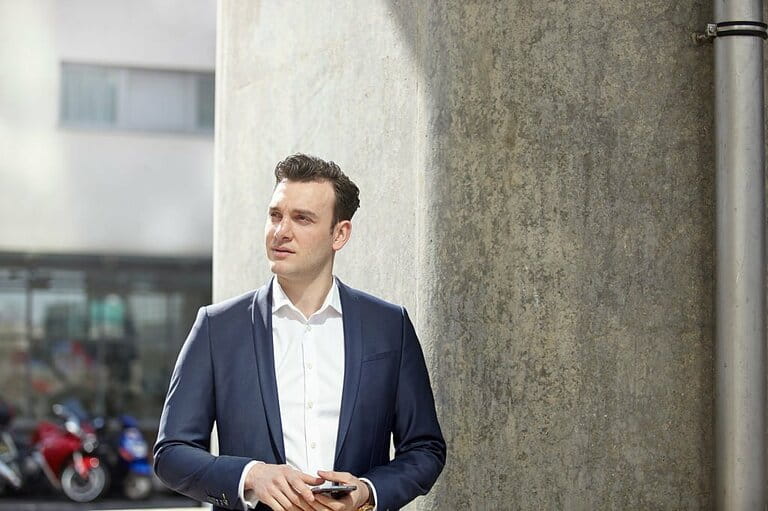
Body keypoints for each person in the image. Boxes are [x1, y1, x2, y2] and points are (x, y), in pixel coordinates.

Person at [154, 154, 446, 511]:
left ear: (339, 234)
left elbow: (425, 448)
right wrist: (250, 476)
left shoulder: (388, 326)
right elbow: (171, 453)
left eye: (302, 219)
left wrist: (368, 490)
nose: (281, 231)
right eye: (275, 215)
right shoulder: (218, 328)